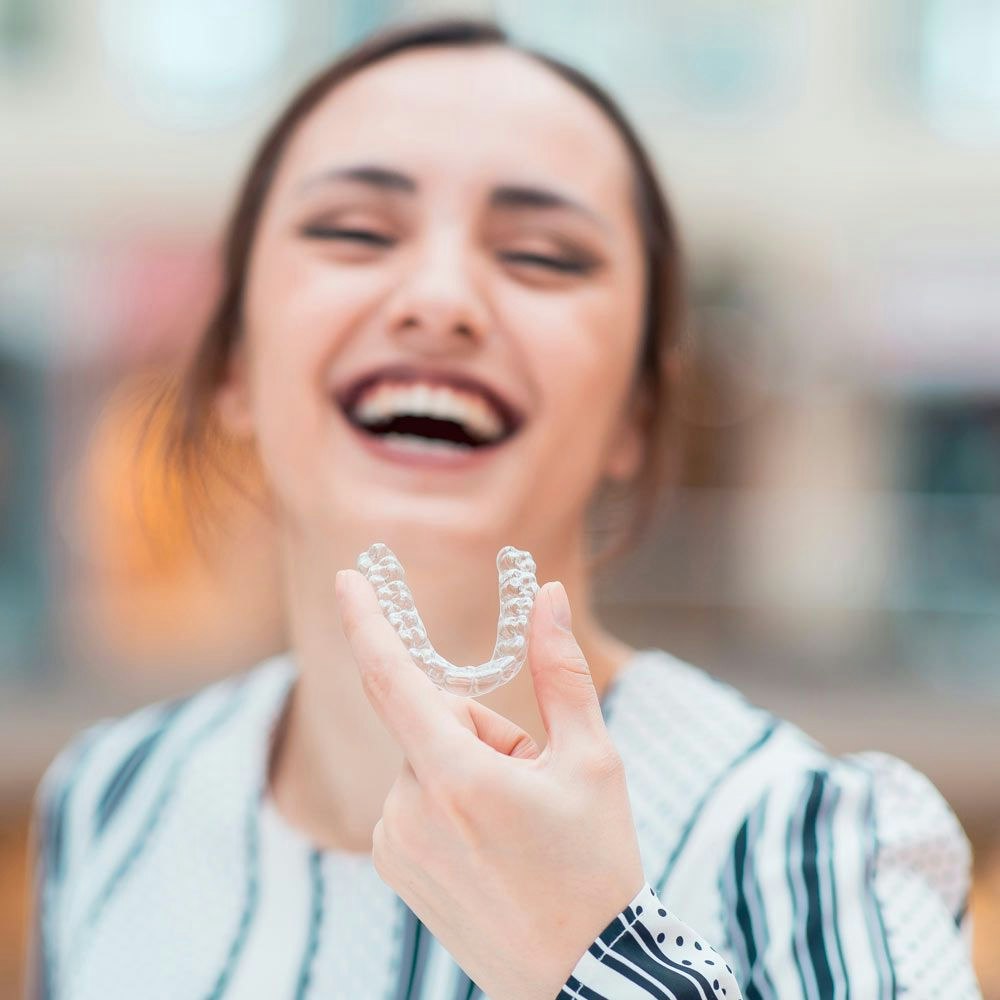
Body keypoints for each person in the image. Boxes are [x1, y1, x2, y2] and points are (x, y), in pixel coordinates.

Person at [26, 16, 982, 1000]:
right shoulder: (109, 801)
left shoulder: (816, 849)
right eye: (353, 232)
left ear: (637, 411)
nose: (441, 299)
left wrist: (591, 954)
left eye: (544, 255)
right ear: (233, 361)